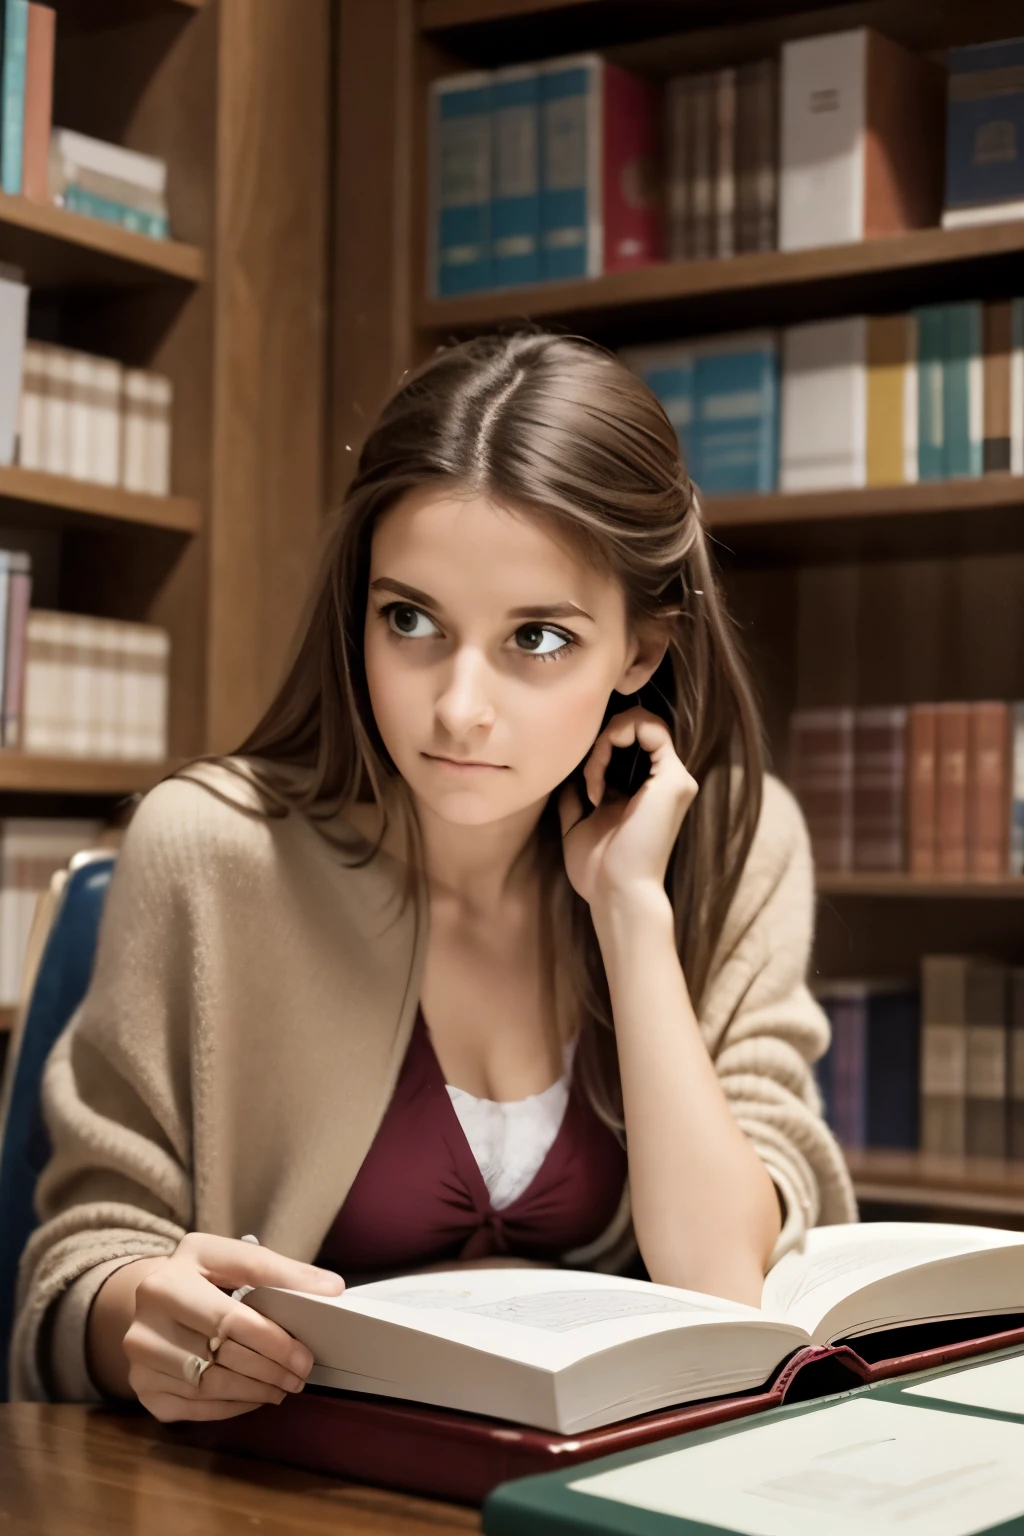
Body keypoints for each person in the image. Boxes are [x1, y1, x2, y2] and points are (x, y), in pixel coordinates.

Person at [11, 330, 856, 1420]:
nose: (460, 706)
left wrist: (631, 910)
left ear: (639, 653)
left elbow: (722, 1282)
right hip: (289, 1484)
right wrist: (146, 1319)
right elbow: (78, 1266)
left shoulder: (734, 845)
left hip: (607, 1478)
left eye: (537, 638)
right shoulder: (210, 852)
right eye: (409, 619)